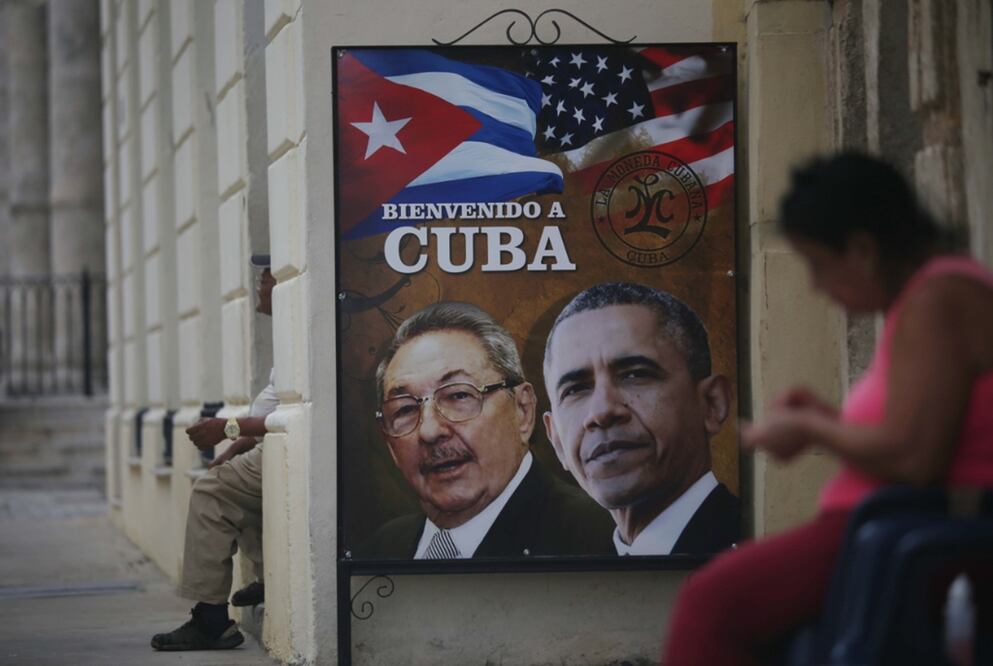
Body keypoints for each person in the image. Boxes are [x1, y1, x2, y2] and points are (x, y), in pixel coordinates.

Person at [663, 152, 993, 665]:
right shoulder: (930, 296)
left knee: (711, 604)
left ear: (862, 249)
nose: (817, 287)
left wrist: (814, 429)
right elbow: (919, 433)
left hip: (895, 537)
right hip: (881, 531)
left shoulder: (938, 299)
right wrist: (830, 423)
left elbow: (915, 459)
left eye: (819, 265)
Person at [356, 301, 614, 559]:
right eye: (404, 410)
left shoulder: (603, 540)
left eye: (458, 395)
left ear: (523, 411)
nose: (430, 431)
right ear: (390, 444)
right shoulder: (381, 550)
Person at [542, 282, 739, 556]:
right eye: (575, 389)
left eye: (635, 374)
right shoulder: (573, 578)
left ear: (712, 403)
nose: (601, 412)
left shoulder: (761, 560)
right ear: (557, 442)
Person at [151, 254, 277, 651]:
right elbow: (269, 413)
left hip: (286, 447)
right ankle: (266, 577)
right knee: (228, 482)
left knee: (212, 496)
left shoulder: (299, 335)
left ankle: (210, 620)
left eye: (265, 279)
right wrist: (228, 451)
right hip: (272, 446)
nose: (259, 287)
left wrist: (225, 428)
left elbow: (289, 416)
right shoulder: (289, 338)